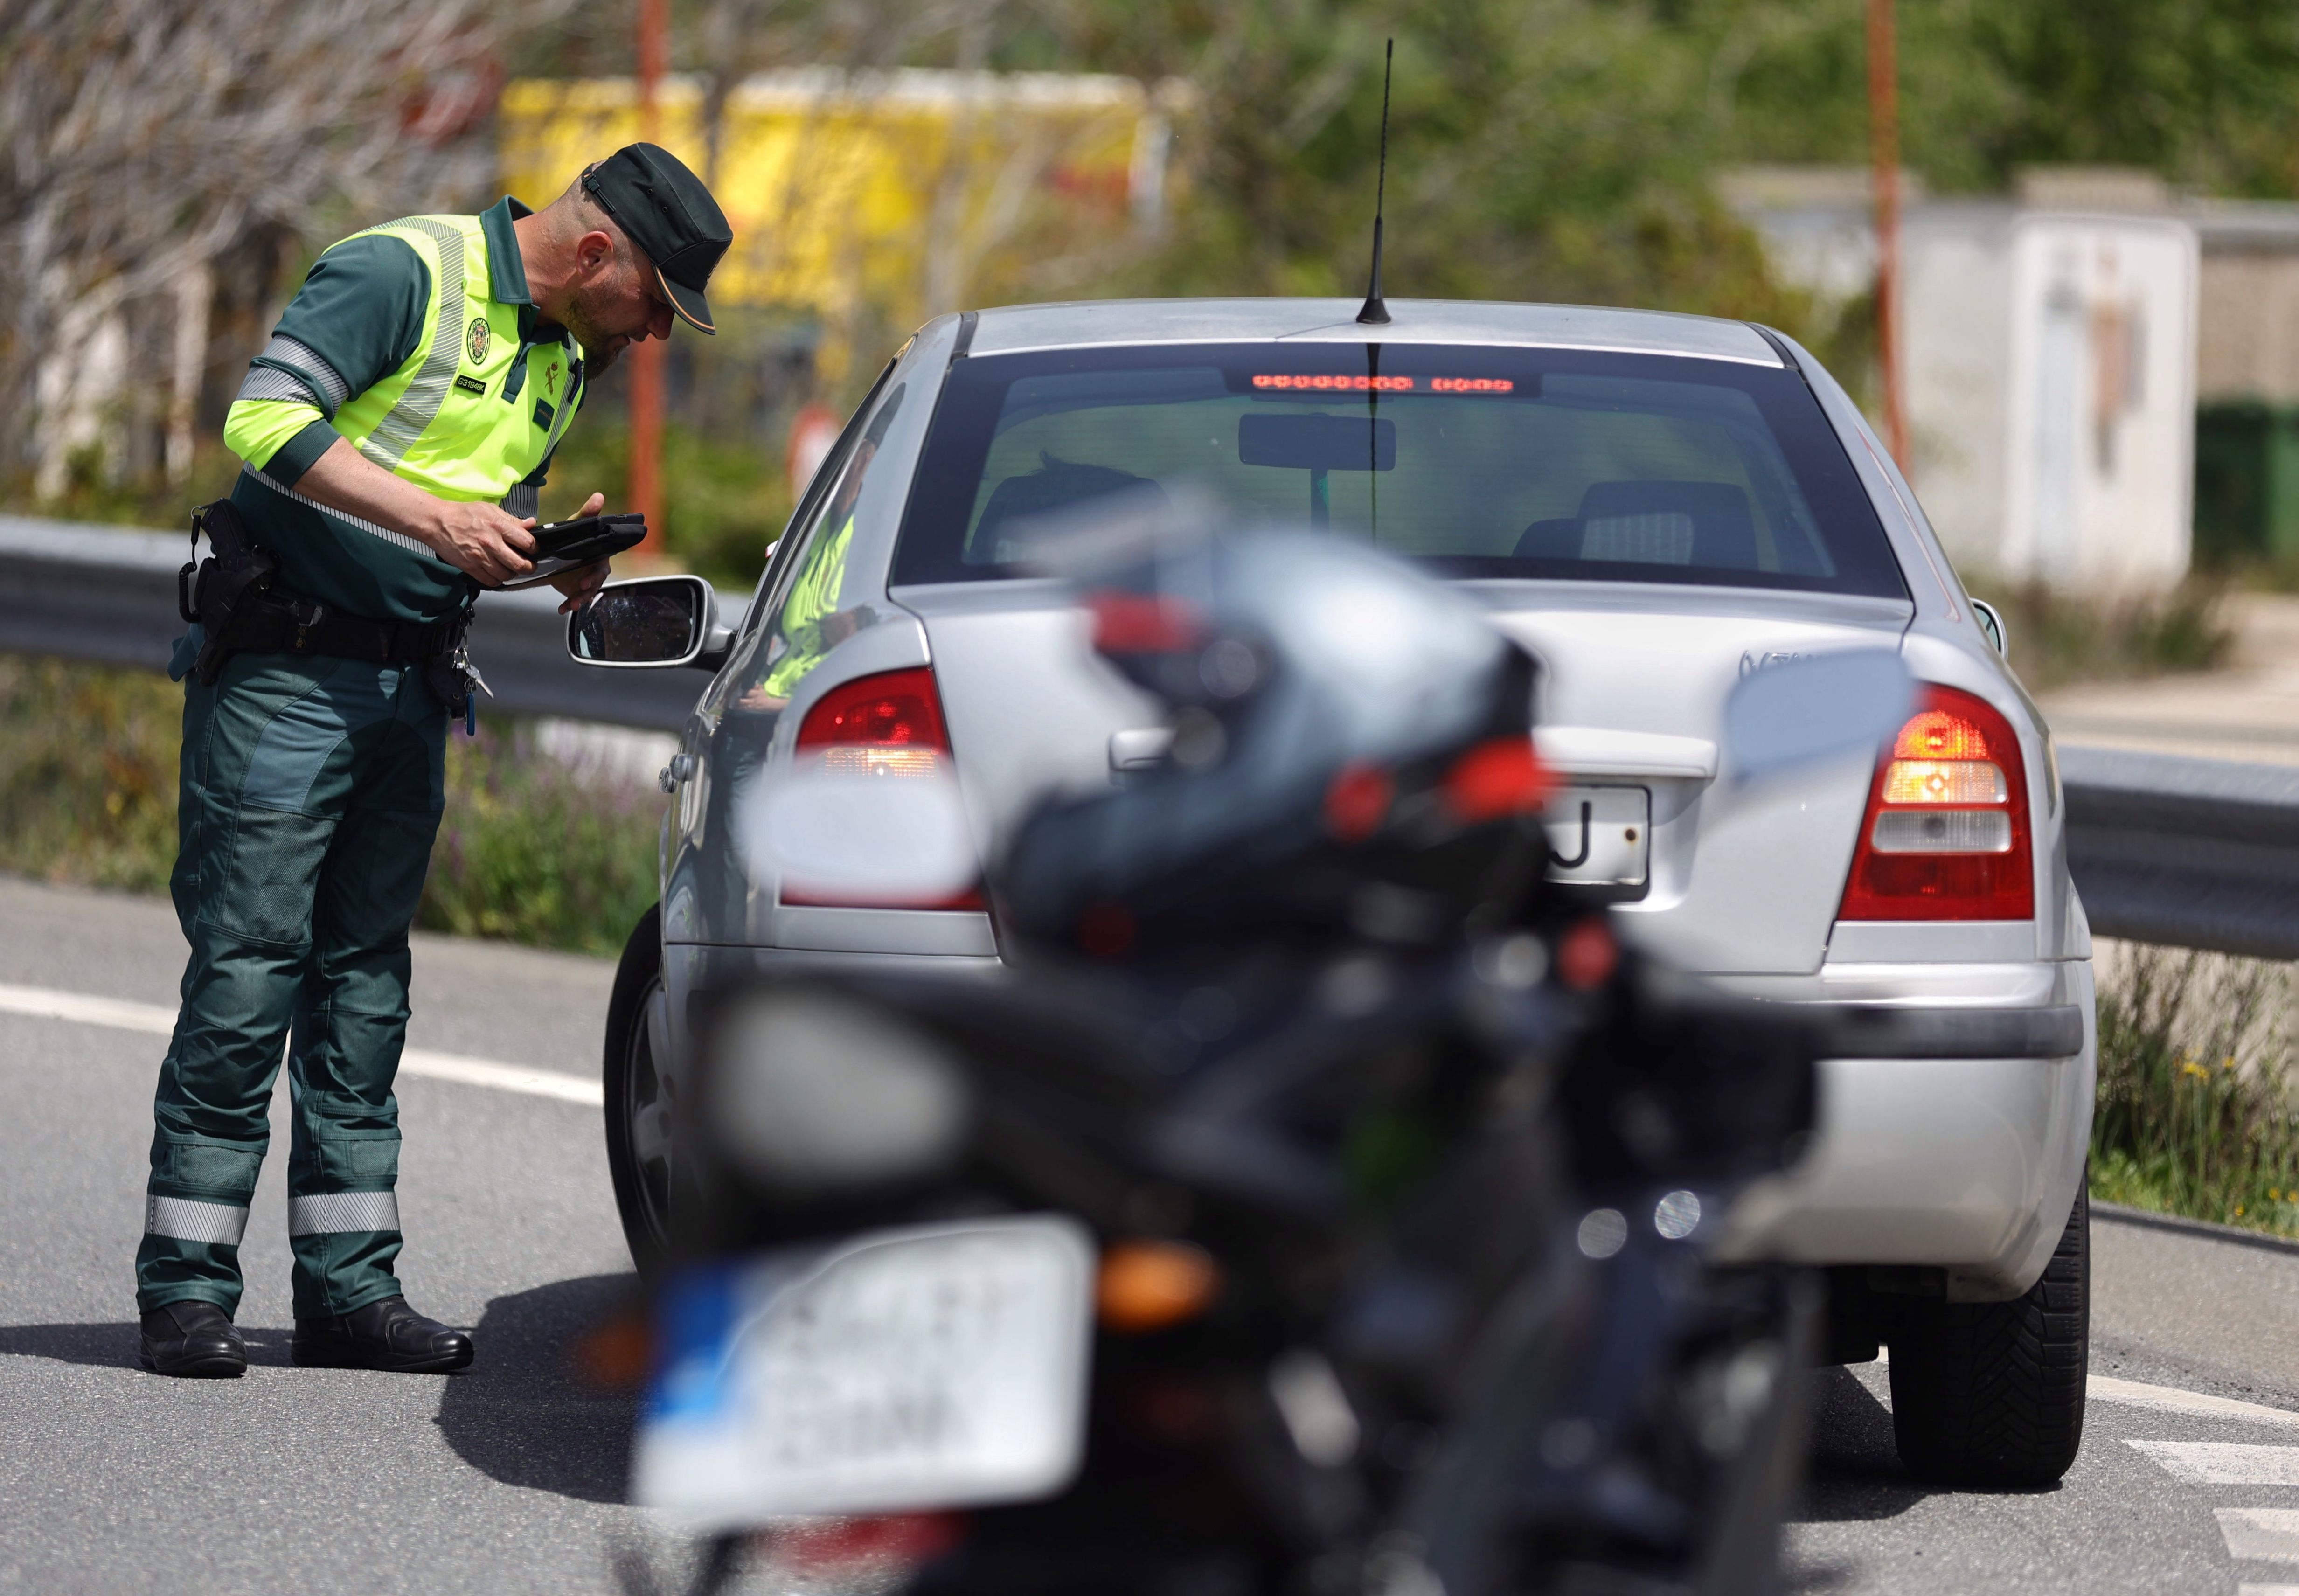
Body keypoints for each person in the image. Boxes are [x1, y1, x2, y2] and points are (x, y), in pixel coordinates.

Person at [135, 145, 733, 1378]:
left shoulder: (567, 356)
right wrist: (441, 522)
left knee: (365, 990)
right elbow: (261, 421)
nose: (654, 337)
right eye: (655, 304)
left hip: (411, 686)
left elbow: (464, 518)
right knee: (248, 975)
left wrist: (544, 556)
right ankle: (185, 1292)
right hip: (289, 678)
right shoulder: (401, 271)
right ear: (595, 253)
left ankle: (349, 1293)